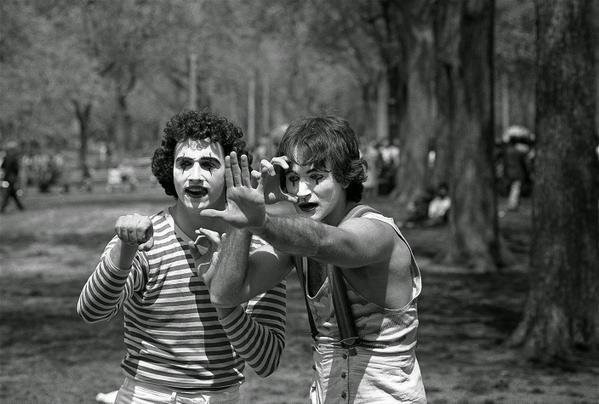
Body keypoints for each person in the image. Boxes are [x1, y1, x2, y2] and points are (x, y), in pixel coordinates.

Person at [200, 116, 426, 403]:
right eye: (294, 179)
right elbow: (224, 294)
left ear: (345, 176)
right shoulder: (295, 242)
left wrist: (261, 222)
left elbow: (325, 242)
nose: (303, 191)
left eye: (316, 177)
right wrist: (243, 219)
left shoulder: (378, 233)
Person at [77, 110, 287, 403]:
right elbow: (91, 311)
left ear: (230, 172)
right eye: (184, 163)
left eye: (209, 164)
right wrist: (124, 251)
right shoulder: (143, 240)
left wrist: (224, 294)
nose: (195, 175)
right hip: (145, 395)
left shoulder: (256, 250)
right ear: (170, 170)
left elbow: (266, 361)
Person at [1, 141, 25, 213]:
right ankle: (19, 207)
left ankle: (3, 208)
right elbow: (16, 170)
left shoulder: (6, 158)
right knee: (10, 193)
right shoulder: (13, 159)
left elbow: (3, 168)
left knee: (10, 193)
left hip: (7, 178)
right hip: (11, 178)